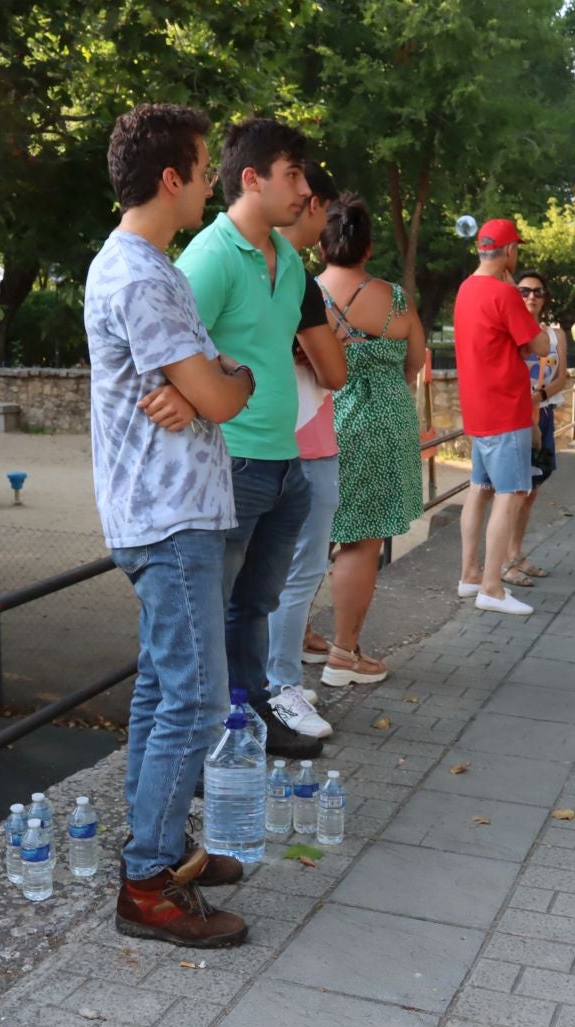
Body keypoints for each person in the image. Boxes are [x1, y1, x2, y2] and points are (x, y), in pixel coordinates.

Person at [85, 104, 253, 947]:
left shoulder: (141, 266)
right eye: (202, 165)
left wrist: (219, 379)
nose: (212, 184)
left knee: (163, 690)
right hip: (168, 513)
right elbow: (223, 393)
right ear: (171, 178)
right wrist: (222, 383)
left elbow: (217, 384)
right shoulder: (144, 277)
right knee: (193, 697)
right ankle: (148, 882)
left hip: (161, 510)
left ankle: (158, 849)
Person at [176, 118, 324, 760]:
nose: (303, 188)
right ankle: (209, 740)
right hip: (230, 462)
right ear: (251, 178)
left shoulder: (290, 261)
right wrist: (176, 394)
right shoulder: (209, 256)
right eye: (292, 174)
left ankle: (251, 717)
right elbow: (164, 346)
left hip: (285, 462)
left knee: (255, 604)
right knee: (209, 612)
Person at [315, 192, 428, 684]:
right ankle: (345, 652)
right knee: (361, 542)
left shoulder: (303, 293)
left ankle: (296, 637)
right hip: (382, 426)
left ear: (321, 244)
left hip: (318, 423)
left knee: (306, 538)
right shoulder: (394, 299)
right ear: (368, 246)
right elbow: (416, 360)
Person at [260, 163, 348, 732]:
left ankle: (271, 682)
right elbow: (334, 370)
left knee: (263, 577)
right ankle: (281, 684)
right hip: (304, 444)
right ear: (309, 203)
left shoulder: (259, 264)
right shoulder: (295, 276)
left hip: (261, 440)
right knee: (299, 572)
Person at [453, 219, 550, 615]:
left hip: (477, 406)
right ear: (509, 253)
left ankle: (469, 574)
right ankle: (491, 588)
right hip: (506, 407)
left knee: (479, 488)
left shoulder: (465, 289)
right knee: (510, 494)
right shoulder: (505, 293)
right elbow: (540, 344)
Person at [500, 269, 570, 585]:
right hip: (514, 418)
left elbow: (562, 378)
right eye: (524, 291)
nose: (531, 297)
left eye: (538, 292)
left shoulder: (555, 336)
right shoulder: (510, 332)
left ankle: (515, 554)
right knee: (513, 492)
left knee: (531, 492)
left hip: (541, 414)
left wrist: (537, 398)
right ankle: (502, 563)